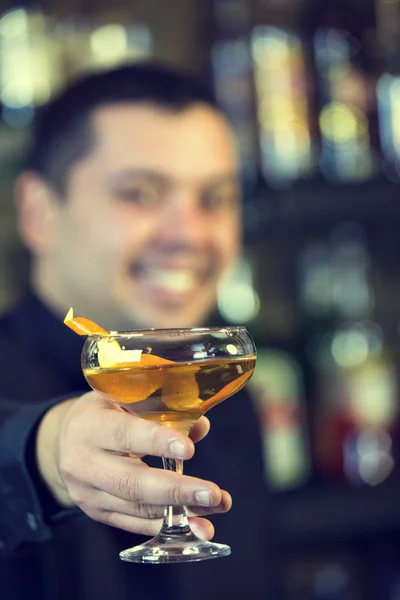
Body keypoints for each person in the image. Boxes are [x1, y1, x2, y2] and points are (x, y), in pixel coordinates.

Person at [0, 62, 276, 600]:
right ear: (39, 213)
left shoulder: (220, 390)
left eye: (214, 199)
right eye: (141, 194)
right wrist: (48, 450)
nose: (191, 233)